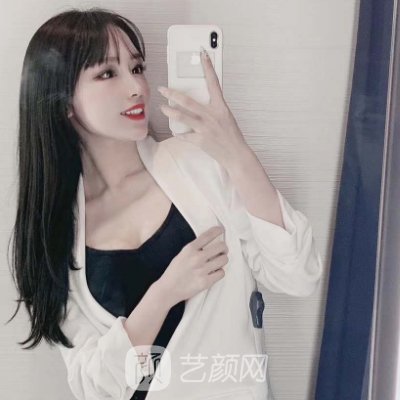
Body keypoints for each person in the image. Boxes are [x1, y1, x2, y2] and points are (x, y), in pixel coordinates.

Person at [8, 7, 323, 400]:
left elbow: (297, 274)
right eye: (107, 73)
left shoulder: (197, 165)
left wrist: (237, 153)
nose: (137, 87)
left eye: (137, 67)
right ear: (63, 101)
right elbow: (95, 387)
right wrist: (164, 293)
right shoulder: (54, 235)